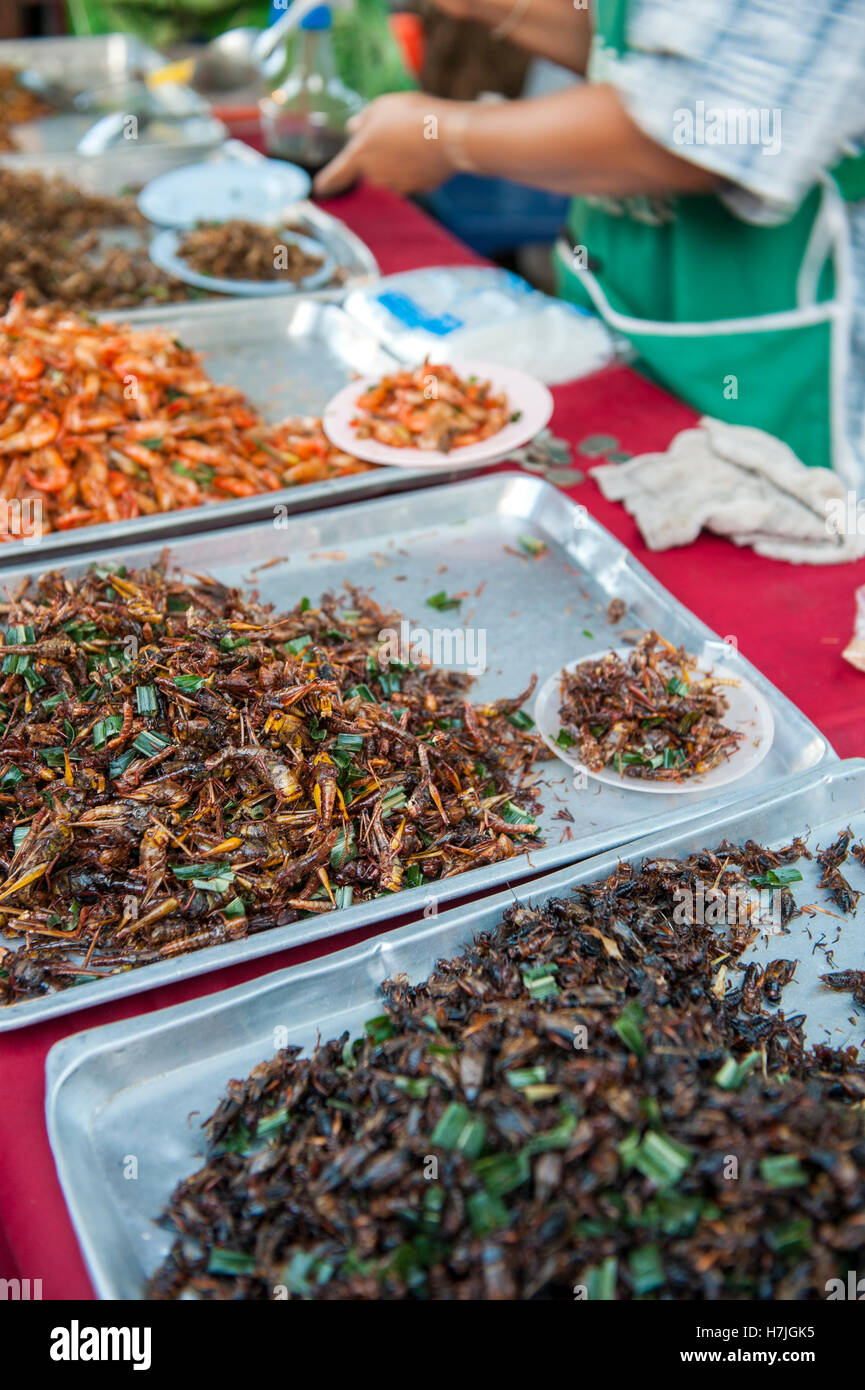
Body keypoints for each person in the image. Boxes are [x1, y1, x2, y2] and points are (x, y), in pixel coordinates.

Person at [314, 0, 865, 484]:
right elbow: (656, 66)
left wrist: (448, 138)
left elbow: (709, 128)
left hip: (782, 339)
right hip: (631, 316)